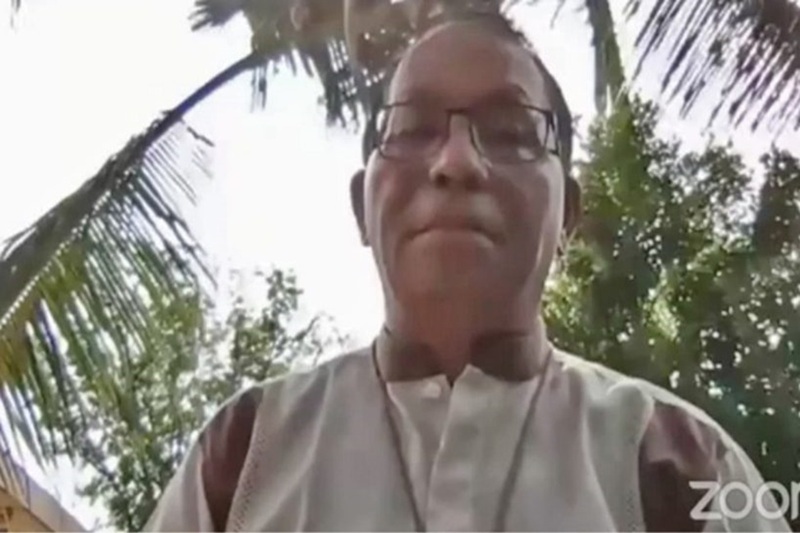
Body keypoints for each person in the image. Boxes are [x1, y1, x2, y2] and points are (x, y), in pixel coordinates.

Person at [144, 9, 791, 532]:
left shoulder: (681, 466)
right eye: (412, 127)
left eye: (511, 131)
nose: (456, 162)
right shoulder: (243, 457)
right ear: (361, 206)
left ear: (567, 215)